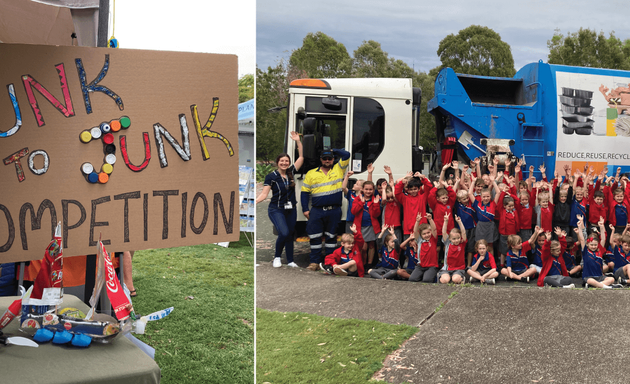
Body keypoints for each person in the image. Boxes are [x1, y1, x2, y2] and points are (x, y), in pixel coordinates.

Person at [255, 131, 303, 268]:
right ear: (277, 163)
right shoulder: (271, 176)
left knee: (290, 234)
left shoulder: (291, 172)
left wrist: (298, 142)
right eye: (282, 161)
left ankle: (290, 261)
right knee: (284, 232)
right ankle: (277, 257)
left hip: (291, 209)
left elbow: (301, 158)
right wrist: (256, 201)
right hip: (276, 209)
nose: (284, 163)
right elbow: (264, 194)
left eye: (286, 161)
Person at [301, 147, 351, 271]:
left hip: (334, 210)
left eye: (330, 158)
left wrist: (332, 150)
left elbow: (346, 154)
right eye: (325, 158)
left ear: (333, 159)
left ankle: (329, 262)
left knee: (331, 238)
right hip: (317, 210)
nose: (327, 160)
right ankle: (314, 262)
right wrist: (305, 209)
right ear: (321, 159)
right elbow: (304, 193)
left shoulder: (338, 169)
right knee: (315, 237)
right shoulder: (311, 173)